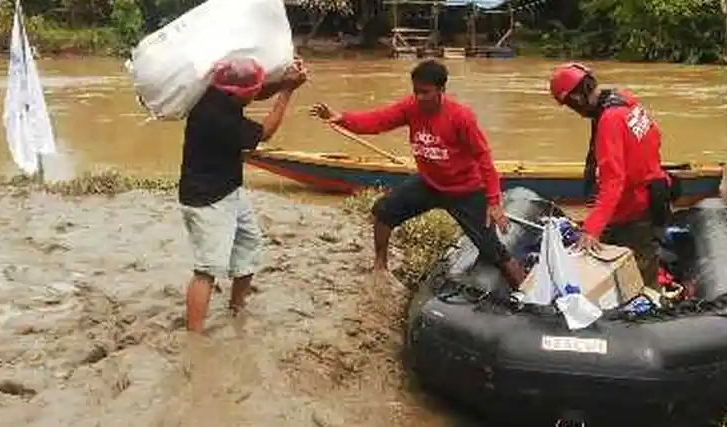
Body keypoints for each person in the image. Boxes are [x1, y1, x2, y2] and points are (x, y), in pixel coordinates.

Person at [310, 59, 527, 290]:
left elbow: (484, 158)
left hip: (465, 189)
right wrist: (343, 119)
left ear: (441, 90)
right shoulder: (410, 108)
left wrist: (494, 202)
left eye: (425, 92)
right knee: (383, 211)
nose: (419, 98)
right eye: (416, 92)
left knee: (493, 250)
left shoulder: (461, 117)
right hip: (430, 183)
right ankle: (380, 265)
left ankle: (528, 295)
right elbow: (378, 121)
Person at [179, 57, 307, 334]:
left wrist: (284, 81)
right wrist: (287, 92)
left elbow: (257, 91)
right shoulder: (219, 118)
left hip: (228, 190)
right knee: (207, 269)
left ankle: (237, 309)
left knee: (249, 245)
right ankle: (194, 339)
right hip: (207, 199)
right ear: (238, 93)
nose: (257, 92)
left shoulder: (217, 93)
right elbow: (266, 132)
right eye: (252, 90)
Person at [548, 61, 675, 287]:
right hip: (654, 192)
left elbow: (613, 182)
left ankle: (647, 312)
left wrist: (591, 229)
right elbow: (655, 135)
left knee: (640, 279)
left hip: (634, 208)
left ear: (576, 99)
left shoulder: (609, 121)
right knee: (644, 258)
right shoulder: (624, 99)